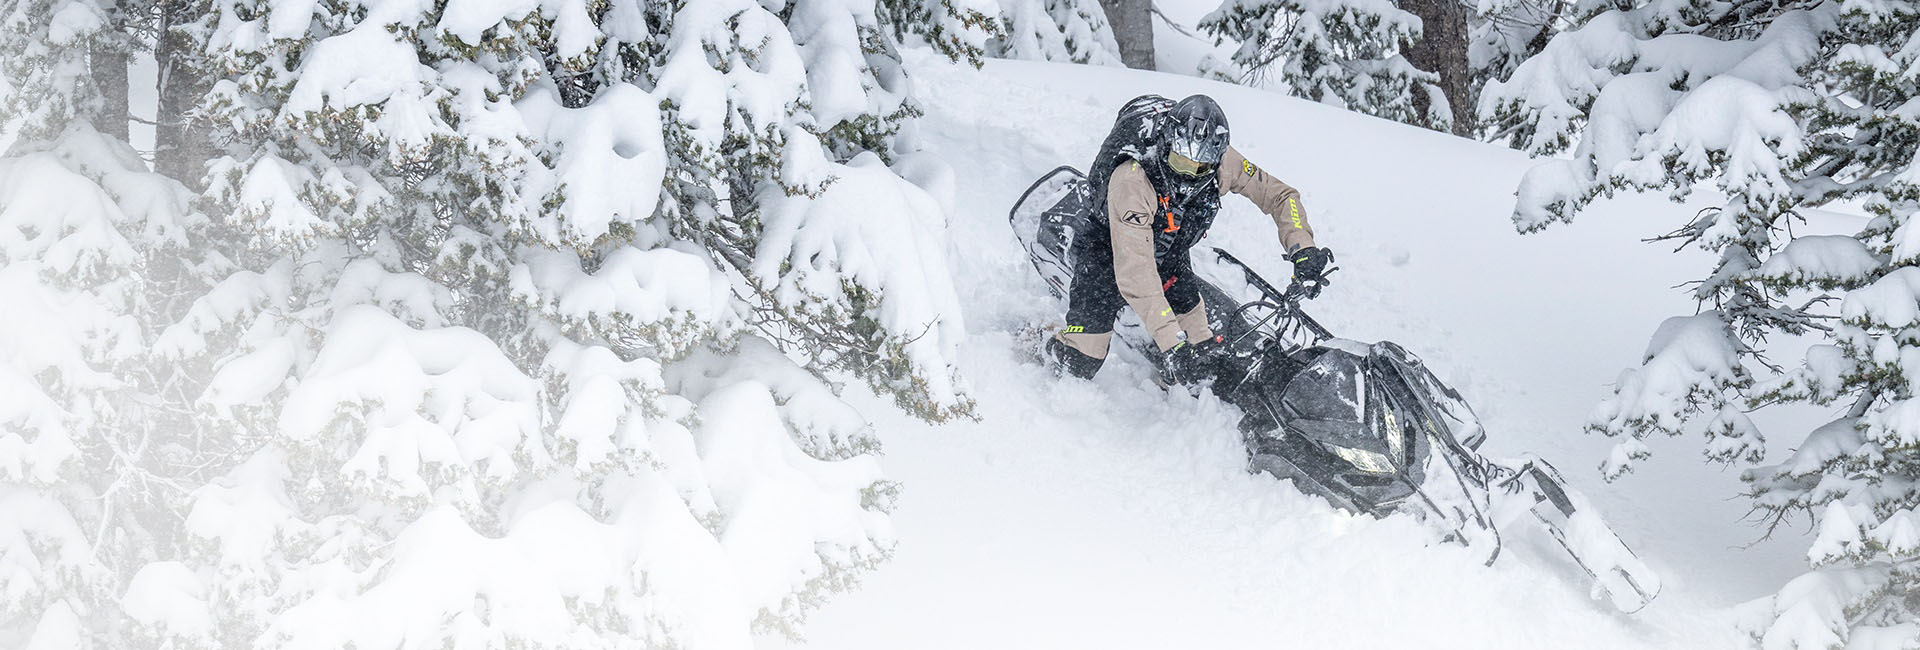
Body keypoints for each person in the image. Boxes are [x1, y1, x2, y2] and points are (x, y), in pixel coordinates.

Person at [1044, 94, 1333, 385]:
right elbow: (1135, 273)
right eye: (1180, 163)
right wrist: (1172, 344)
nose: (1188, 175)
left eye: (1199, 169)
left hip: (1169, 248)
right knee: (1081, 363)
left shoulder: (1224, 161)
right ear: (1167, 145)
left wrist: (1302, 246)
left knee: (1203, 351)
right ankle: (1041, 339)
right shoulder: (1132, 179)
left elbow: (1281, 196)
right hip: (1106, 247)